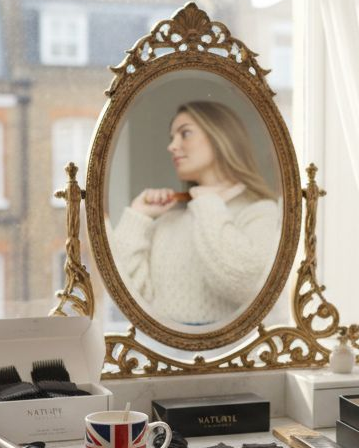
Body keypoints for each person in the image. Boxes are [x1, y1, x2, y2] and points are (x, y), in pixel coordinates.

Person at [110, 100, 280, 327]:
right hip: (160, 348)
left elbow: (245, 285)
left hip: (235, 349)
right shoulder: (169, 220)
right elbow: (130, 297)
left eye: (185, 133)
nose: (172, 146)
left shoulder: (261, 212)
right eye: (172, 137)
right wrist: (138, 216)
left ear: (221, 137)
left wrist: (208, 201)